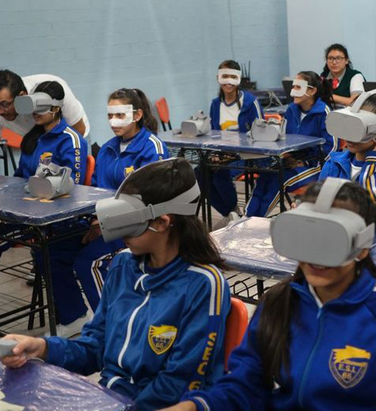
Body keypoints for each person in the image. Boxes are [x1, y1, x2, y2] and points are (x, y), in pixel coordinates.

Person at [163, 180, 376, 411]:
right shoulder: (278, 302)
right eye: (308, 238)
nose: (316, 256)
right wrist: (196, 406)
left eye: (332, 240)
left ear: (362, 247)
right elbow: (245, 383)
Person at [1, 158, 230, 411]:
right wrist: (42, 348)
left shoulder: (203, 284)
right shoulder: (122, 265)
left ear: (162, 222)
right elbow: (95, 348)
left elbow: (178, 386)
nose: (119, 231)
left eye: (129, 221)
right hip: (110, 399)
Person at [72, 87, 168, 314]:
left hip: (140, 227)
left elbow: (152, 201)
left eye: (120, 115)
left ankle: (111, 320)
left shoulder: (152, 148)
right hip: (107, 224)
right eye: (110, 115)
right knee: (56, 251)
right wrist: (95, 220)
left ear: (137, 115)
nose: (113, 121)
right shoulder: (107, 149)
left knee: (89, 263)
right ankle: (73, 316)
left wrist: (106, 224)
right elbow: (94, 190)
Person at [11, 80, 91, 335]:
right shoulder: (32, 139)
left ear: (56, 108)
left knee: (51, 256)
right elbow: (20, 178)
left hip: (64, 221)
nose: (35, 112)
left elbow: (73, 184)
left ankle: (75, 316)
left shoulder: (71, 139)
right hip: (30, 215)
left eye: (41, 106)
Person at [319, 90, 376, 239]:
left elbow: (372, 208)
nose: (350, 136)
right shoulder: (334, 163)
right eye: (349, 125)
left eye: (359, 128)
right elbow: (321, 206)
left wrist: (374, 159)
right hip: (340, 241)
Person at [245, 71, 338, 217]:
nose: (293, 91)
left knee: (279, 181)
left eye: (298, 87)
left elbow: (332, 148)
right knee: (264, 177)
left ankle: (257, 220)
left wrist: (305, 161)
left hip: (316, 166)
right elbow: (285, 139)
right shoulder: (291, 109)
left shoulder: (324, 113)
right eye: (293, 86)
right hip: (290, 161)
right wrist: (286, 155)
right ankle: (245, 218)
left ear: (312, 91)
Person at [205, 60, 263, 223]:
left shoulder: (250, 102)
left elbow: (261, 133)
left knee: (219, 173)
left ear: (238, 78)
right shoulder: (215, 104)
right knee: (199, 173)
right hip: (223, 154)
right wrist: (215, 154)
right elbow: (214, 133)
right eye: (225, 76)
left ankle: (232, 211)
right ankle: (231, 213)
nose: (228, 81)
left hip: (246, 155)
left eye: (232, 76)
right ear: (218, 78)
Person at [0, 70, 90, 139]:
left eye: (5, 104)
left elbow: (79, 131)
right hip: (36, 141)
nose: (0, 111)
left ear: (22, 96)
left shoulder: (53, 94)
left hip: (72, 135)